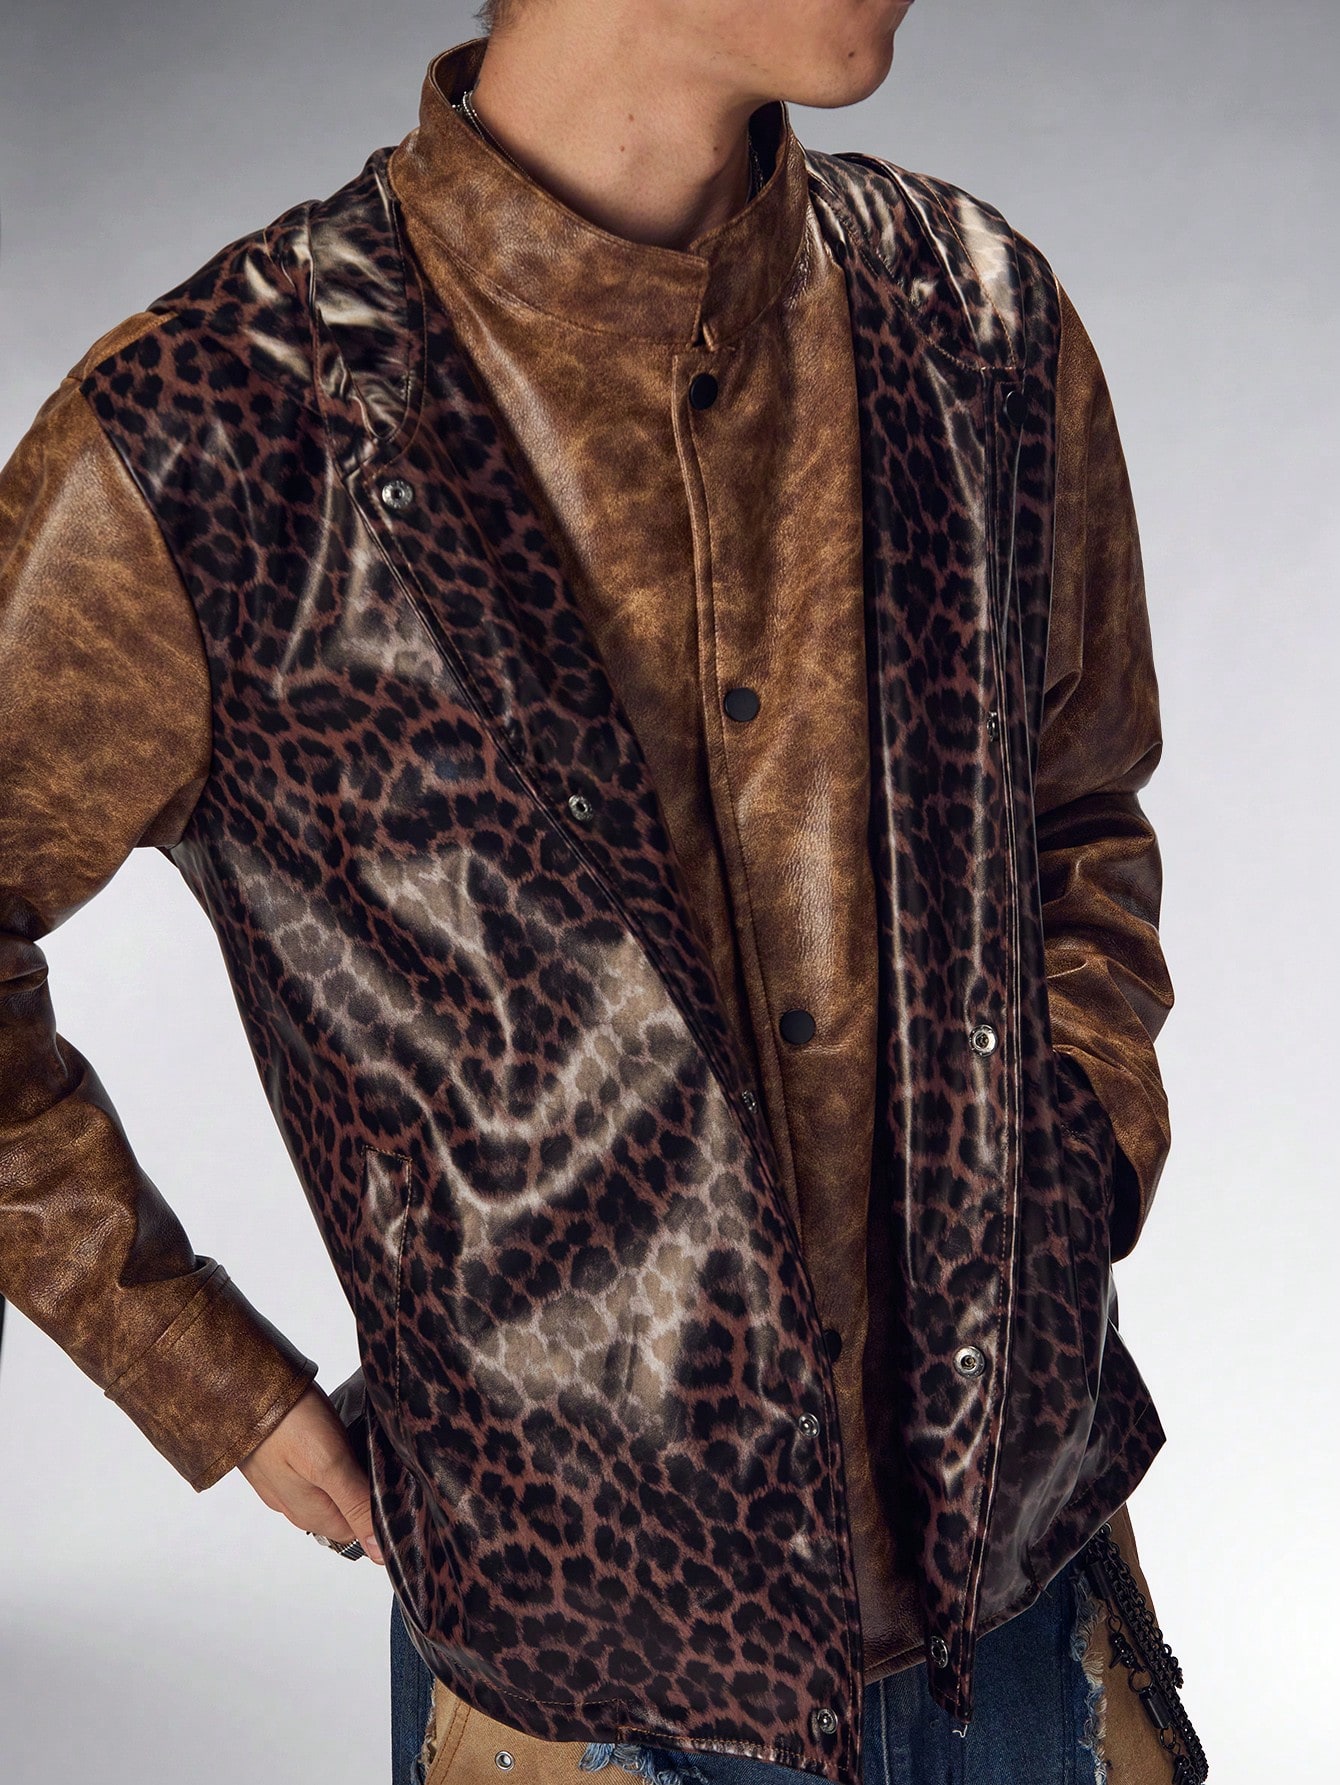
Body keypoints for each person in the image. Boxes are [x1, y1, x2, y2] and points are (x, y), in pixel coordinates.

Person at [0, 2, 1207, 1782]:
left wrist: (1080, 1164)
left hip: (1031, 1616)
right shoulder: (218, 434)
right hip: (593, 1693)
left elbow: (1079, 805)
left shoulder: (974, 317)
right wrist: (205, 1375)